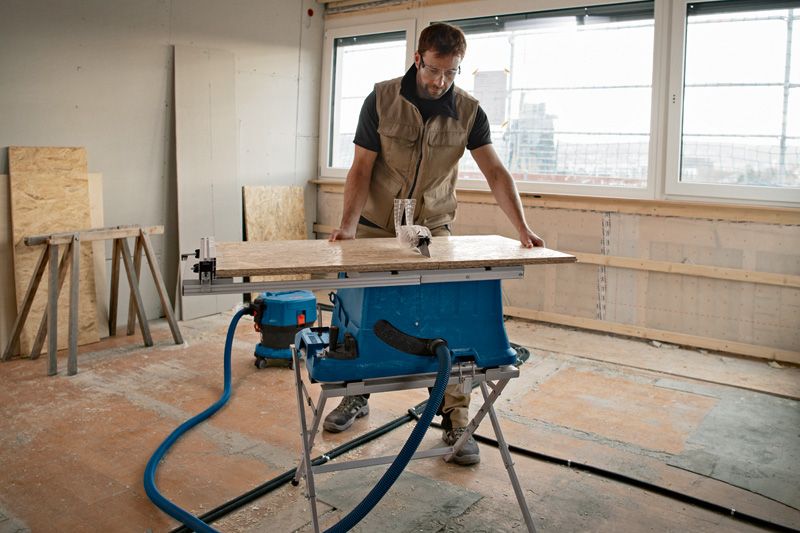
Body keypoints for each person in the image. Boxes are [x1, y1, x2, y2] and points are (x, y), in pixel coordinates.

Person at [324, 22, 544, 466]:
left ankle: (455, 416)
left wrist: (522, 227)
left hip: (432, 229)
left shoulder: (469, 111)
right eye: (434, 70)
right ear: (418, 58)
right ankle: (356, 394)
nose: (440, 81)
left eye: (451, 72)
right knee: (360, 312)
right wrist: (347, 227)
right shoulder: (381, 99)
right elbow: (361, 168)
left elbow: (495, 173)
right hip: (377, 225)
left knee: (448, 318)